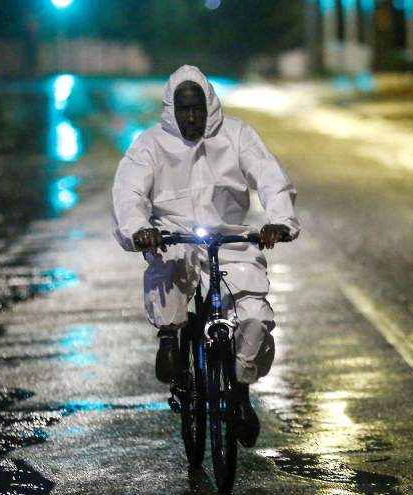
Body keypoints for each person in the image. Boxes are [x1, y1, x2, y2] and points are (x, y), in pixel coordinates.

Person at [111, 65, 299, 448]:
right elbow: (129, 193)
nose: (191, 117)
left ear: (209, 106)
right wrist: (140, 230)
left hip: (229, 240)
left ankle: (242, 393)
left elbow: (268, 175)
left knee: (254, 315)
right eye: (184, 110)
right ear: (172, 110)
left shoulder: (236, 135)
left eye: (197, 108)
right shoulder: (150, 145)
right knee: (168, 286)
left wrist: (278, 221)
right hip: (174, 240)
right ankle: (170, 338)